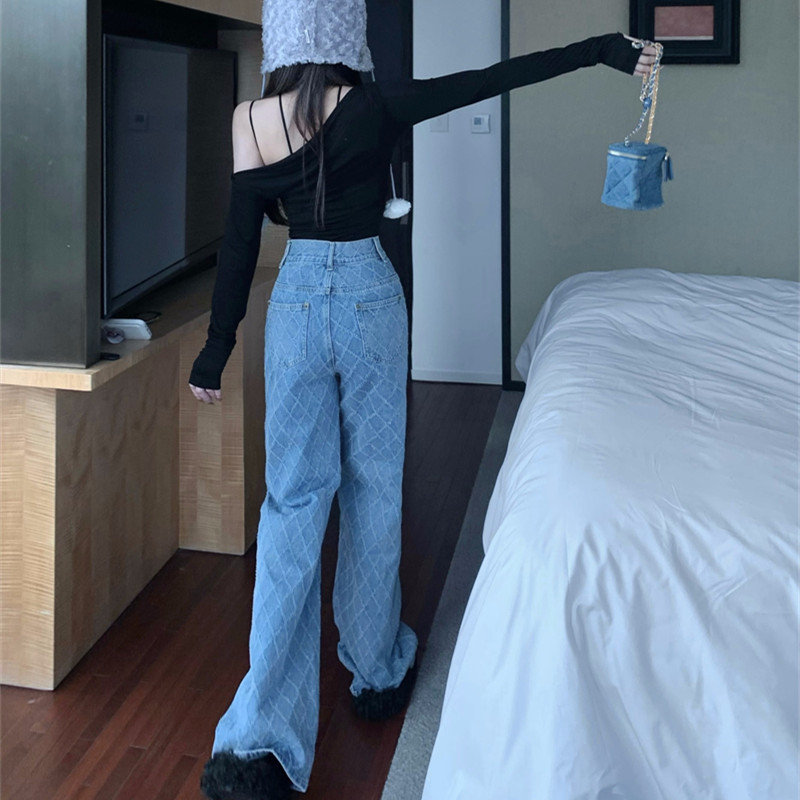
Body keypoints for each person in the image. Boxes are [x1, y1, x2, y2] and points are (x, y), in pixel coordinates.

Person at [188, 2, 657, 797]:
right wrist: (600, 49)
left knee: (291, 504)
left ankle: (255, 744)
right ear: (348, 33)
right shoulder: (375, 104)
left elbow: (239, 244)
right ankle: (375, 670)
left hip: (294, 303)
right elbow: (496, 76)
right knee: (373, 487)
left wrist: (216, 346)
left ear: (279, 35)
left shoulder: (248, 120)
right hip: (369, 297)